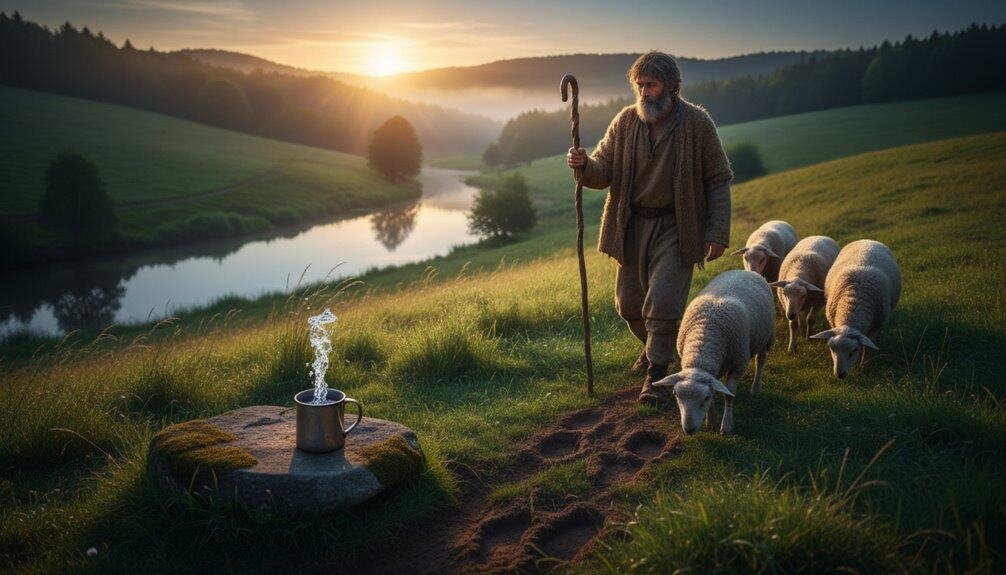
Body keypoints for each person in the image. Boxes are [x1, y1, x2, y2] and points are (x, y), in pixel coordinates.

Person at [566, 51, 733, 404]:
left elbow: (718, 180)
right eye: (639, 85)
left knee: (664, 302)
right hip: (631, 226)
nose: (643, 92)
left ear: (672, 87)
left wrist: (717, 232)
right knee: (628, 306)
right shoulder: (625, 122)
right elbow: (603, 169)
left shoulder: (697, 124)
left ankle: (657, 374)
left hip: (677, 226)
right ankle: (660, 348)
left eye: (651, 85)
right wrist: (583, 165)